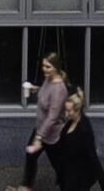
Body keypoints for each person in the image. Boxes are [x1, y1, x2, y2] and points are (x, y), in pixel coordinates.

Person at [24, 51, 71, 187]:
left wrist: (39, 137)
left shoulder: (59, 90)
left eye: (48, 66)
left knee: (59, 165)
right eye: (43, 66)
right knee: (31, 156)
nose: (44, 69)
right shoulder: (48, 79)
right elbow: (46, 92)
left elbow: (52, 117)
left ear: (56, 67)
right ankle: (26, 187)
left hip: (52, 134)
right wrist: (36, 89)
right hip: (41, 128)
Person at [50, 85, 104, 191]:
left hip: (79, 177)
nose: (66, 114)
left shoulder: (84, 130)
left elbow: (93, 157)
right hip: (68, 173)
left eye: (69, 111)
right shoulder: (70, 123)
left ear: (77, 110)